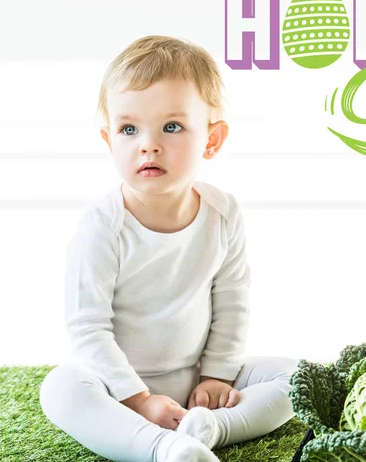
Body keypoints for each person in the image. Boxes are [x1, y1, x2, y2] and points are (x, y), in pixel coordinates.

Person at [39, 35, 299, 462]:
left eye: (172, 127)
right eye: (129, 129)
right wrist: (138, 400)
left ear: (211, 140)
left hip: (195, 376)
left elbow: (232, 300)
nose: (149, 144)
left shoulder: (222, 212)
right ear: (109, 140)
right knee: (61, 389)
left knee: (295, 376)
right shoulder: (103, 227)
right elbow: (88, 329)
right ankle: (164, 447)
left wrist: (216, 374)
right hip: (116, 387)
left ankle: (210, 429)